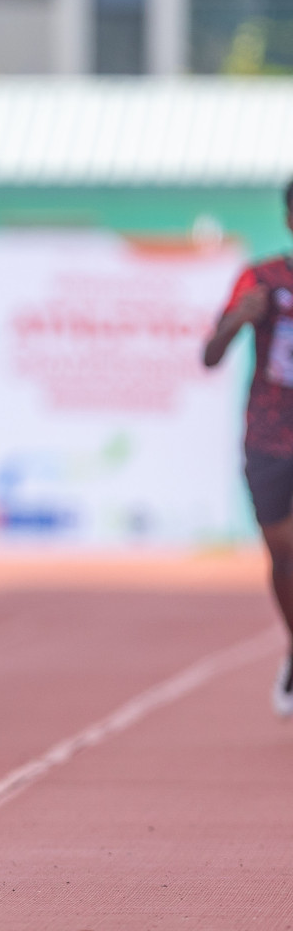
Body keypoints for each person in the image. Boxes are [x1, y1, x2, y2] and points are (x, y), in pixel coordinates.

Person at [204, 176, 293, 716]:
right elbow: (210, 355)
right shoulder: (260, 279)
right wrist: (240, 319)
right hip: (270, 437)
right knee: (284, 553)